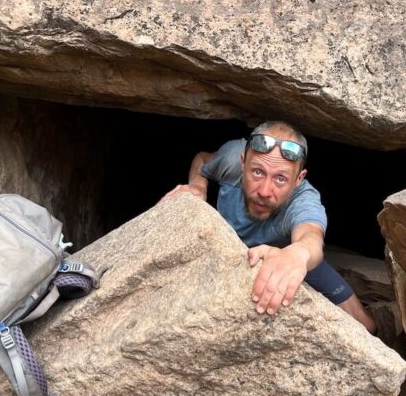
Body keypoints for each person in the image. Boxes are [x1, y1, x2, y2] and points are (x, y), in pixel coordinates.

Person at [162, 121, 377, 334]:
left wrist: (298, 253)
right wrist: (198, 185)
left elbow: (311, 235)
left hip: (286, 257)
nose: (265, 191)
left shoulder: (304, 200)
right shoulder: (231, 157)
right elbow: (202, 160)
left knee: (366, 326)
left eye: (281, 179)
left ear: (298, 180)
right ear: (243, 162)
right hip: (227, 249)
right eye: (257, 172)